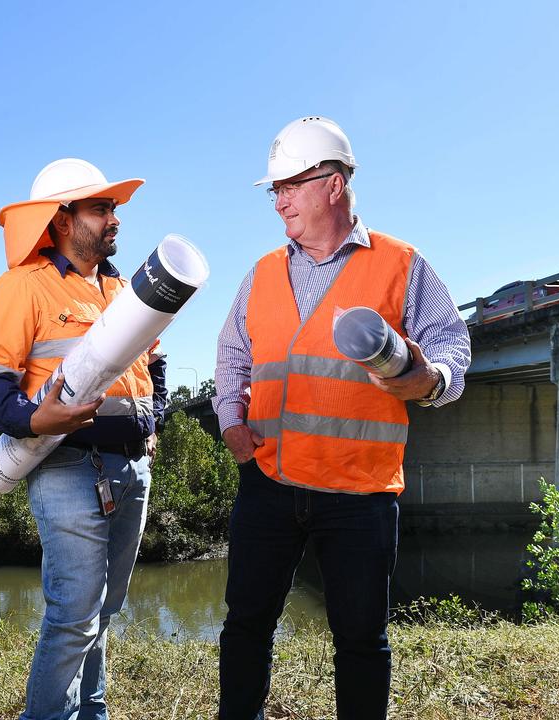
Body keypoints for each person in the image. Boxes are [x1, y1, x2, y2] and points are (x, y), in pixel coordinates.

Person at [213, 117, 471, 719]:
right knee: (245, 625)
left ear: (332, 184)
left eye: (289, 187)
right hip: (269, 483)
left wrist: (429, 379)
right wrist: (230, 419)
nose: (278, 202)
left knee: (360, 640)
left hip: (359, 493)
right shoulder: (262, 272)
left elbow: (452, 345)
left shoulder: (401, 264)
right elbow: (233, 351)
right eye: (274, 190)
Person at [0, 158, 166, 720]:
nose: (114, 219)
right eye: (101, 208)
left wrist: (154, 423)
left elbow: (156, 362)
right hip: (66, 468)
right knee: (74, 614)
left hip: (132, 468)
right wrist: (36, 423)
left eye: (113, 209)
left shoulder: (122, 289)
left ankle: (93, 714)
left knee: (105, 610)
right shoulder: (21, 288)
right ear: (61, 219)